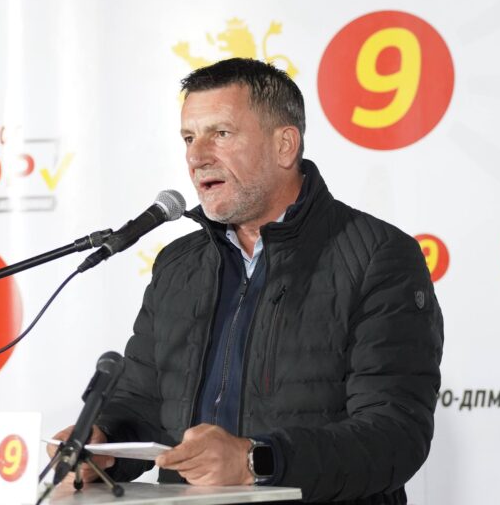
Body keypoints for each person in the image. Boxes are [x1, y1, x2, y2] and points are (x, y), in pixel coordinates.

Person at [49, 58, 443, 504]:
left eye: (221, 133)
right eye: (189, 138)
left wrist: (256, 460)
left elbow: (394, 435)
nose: (197, 157)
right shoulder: (178, 265)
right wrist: (103, 444)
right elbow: (143, 404)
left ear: (284, 146)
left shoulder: (377, 256)